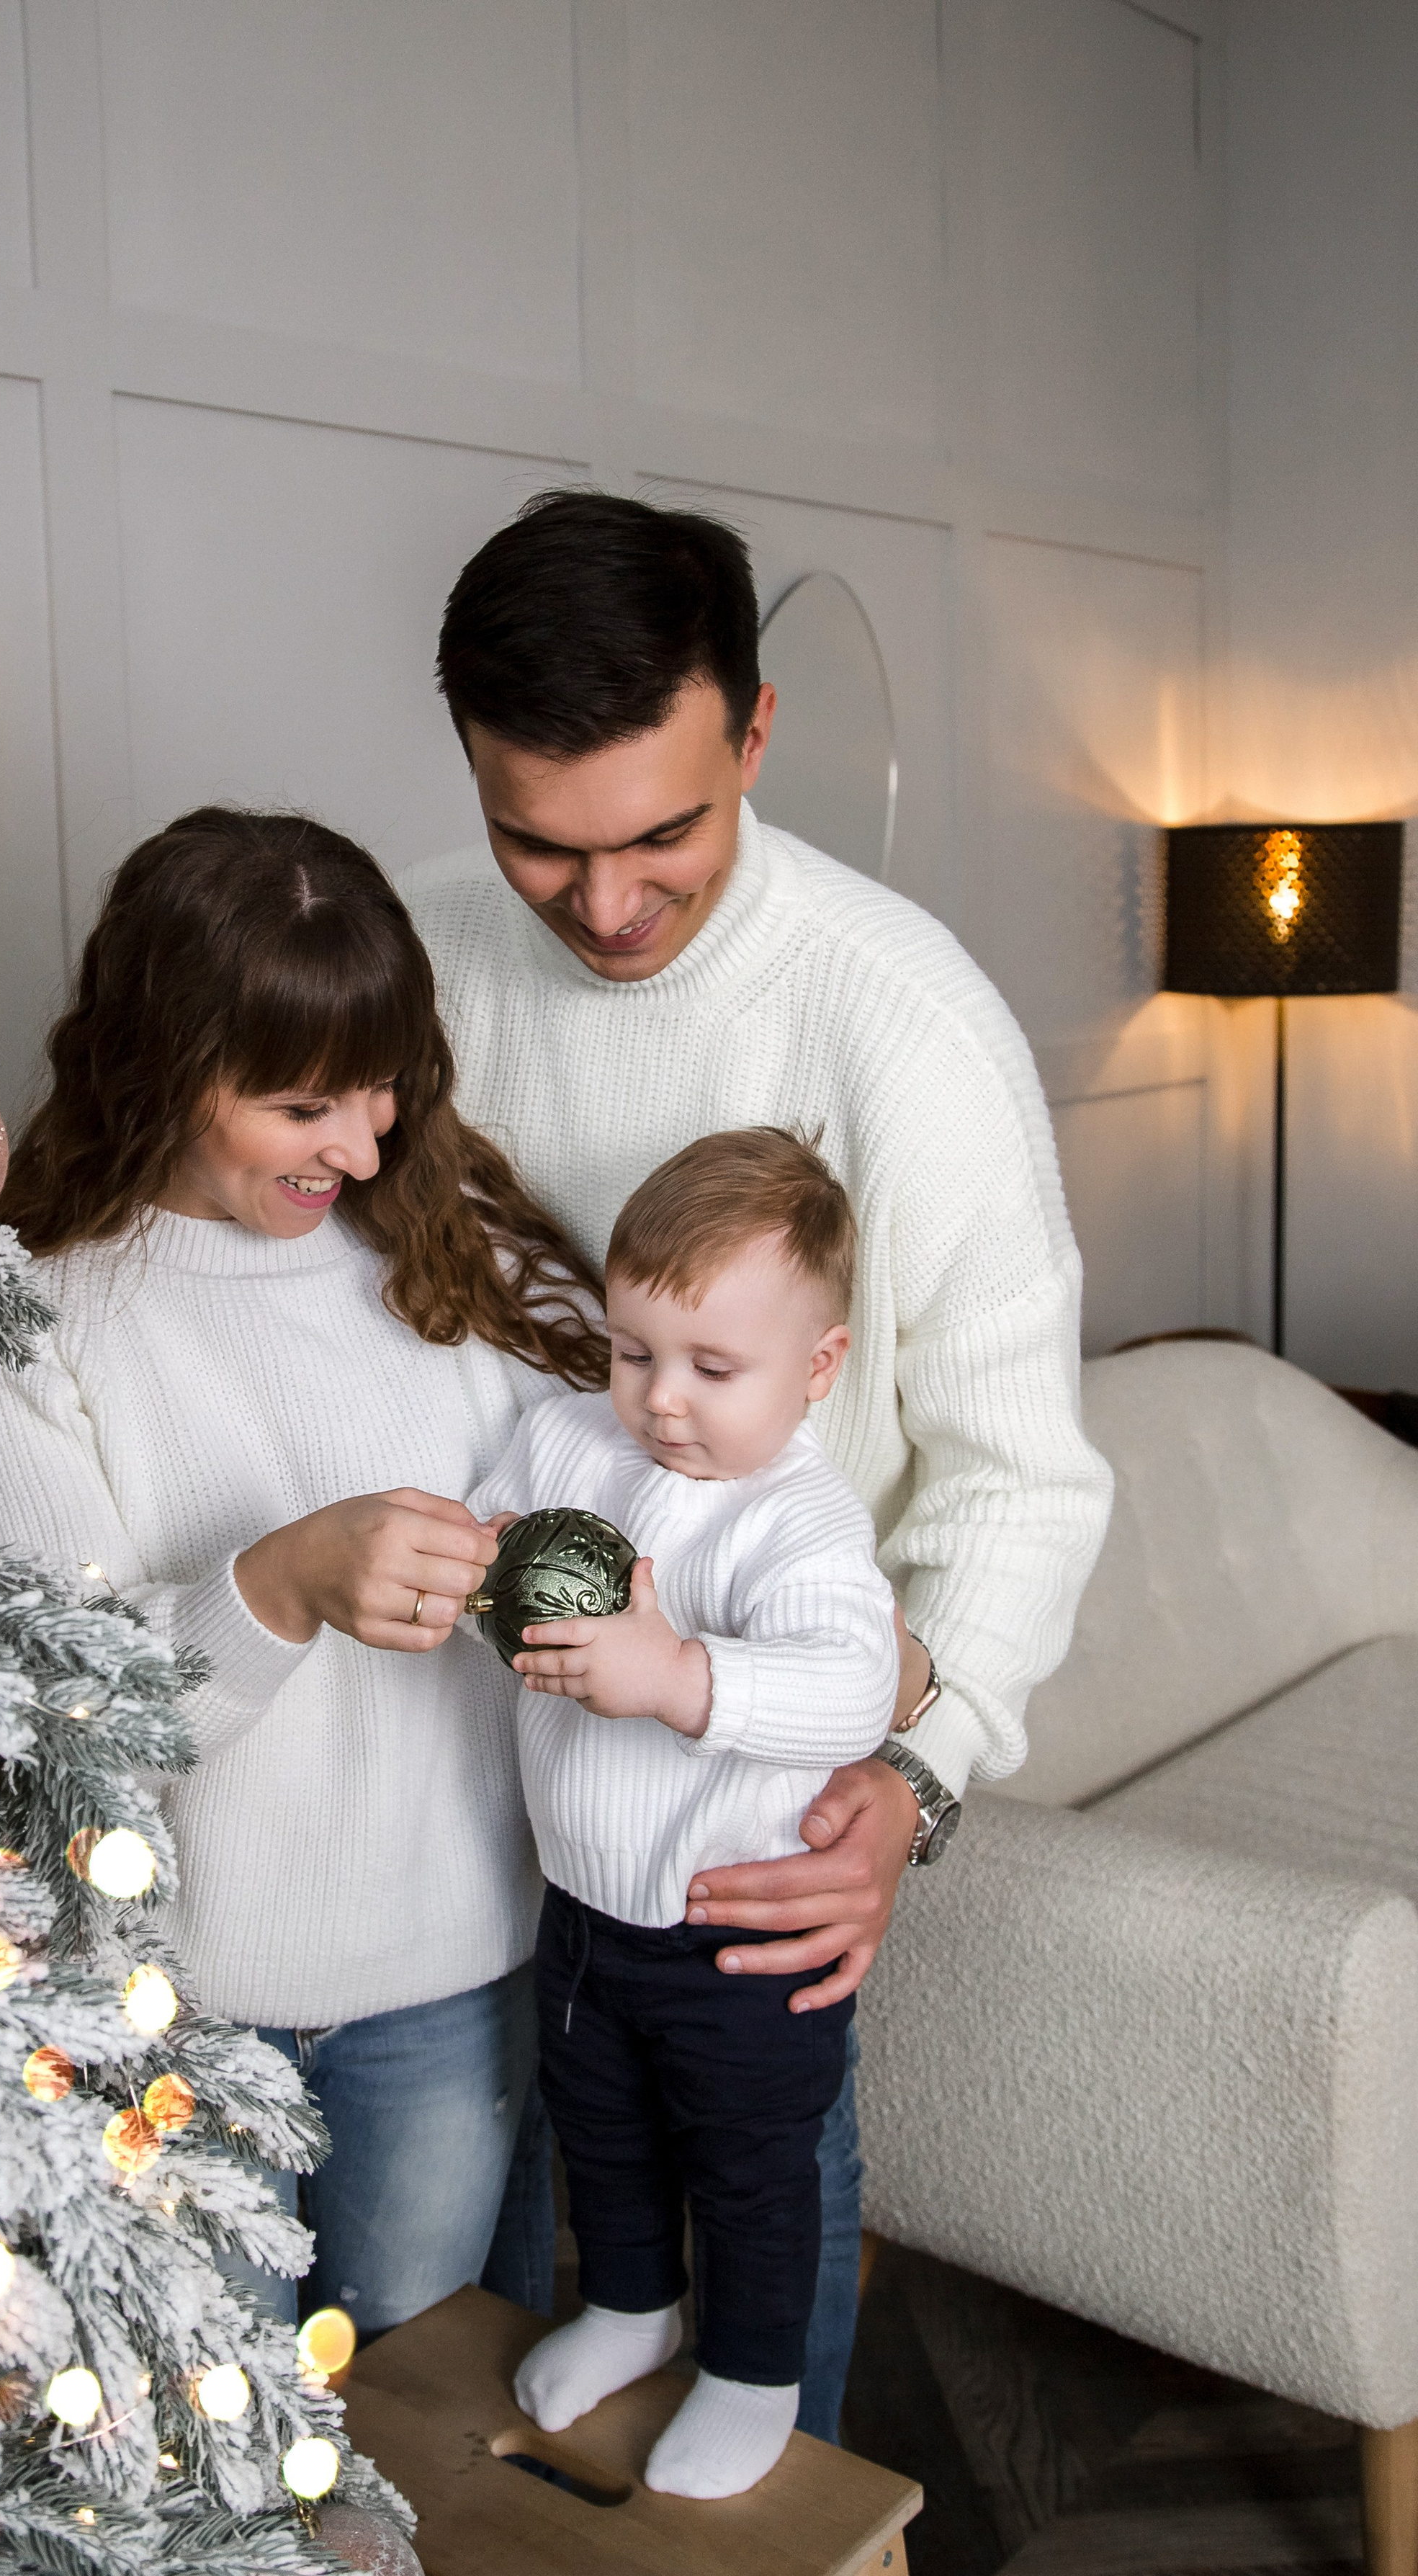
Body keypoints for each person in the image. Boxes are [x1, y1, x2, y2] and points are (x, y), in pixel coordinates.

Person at [403, 489, 1115, 2439]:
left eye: (662, 835)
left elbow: (1019, 1481)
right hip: (474, 1791)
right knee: (504, 2290)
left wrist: (913, 1779)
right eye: (538, 844)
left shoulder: (906, 1024)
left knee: (755, 2206)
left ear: (758, 731)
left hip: (755, 1803)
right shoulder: (421, 966)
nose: (605, 907)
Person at [0, 806, 611, 2339]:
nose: (361, 1147)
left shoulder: (458, 1249)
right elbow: (69, 1733)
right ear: (170, 1070)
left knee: (429, 2434)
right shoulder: (22, 1319)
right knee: (209, 2462)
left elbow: (644, 1496)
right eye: (303, 1105)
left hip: (456, 1980)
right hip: (169, 2022)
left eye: (383, 1087)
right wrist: (282, 1586)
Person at [471, 1129, 897, 2497]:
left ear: (817, 1368)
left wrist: (679, 1679)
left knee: (750, 2169)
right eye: (633, 1351)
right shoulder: (567, 1438)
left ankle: (754, 2375)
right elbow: (493, 1537)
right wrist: (471, 1566)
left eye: (714, 1370)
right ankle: (629, 2306)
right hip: (584, 1911)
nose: (660, 1400)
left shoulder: (800, 1523)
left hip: (736, 1935)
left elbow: (854, 1686)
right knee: (599, 2130)